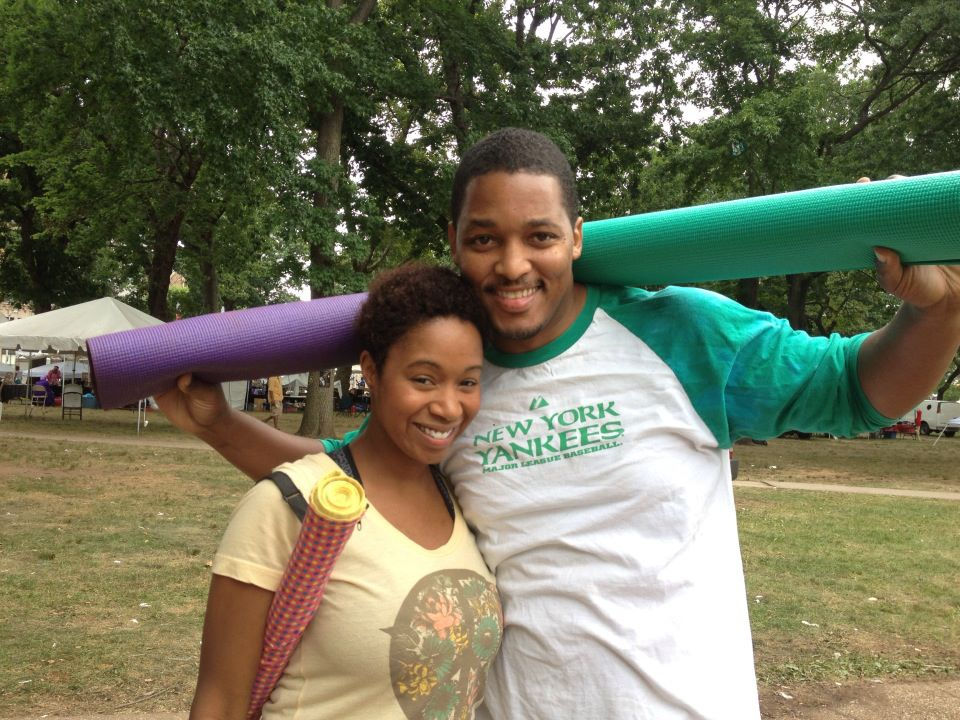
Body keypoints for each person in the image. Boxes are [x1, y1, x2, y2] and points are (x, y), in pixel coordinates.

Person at [158, 129, 960, 720]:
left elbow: (858, 389)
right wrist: (220, 425)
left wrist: (939, 308)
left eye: (540, 236)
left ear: (576, 236)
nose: (512, 266)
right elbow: (353, 487)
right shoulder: (458, 380)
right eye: (485, 240)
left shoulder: (682, 332)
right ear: (456, 247)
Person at [187, 265, 501, 720]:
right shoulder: (286, 505)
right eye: (424, 379)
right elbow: (221, 703)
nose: (449, 406)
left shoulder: (460, 498)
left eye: (467, 382)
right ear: (370, 371)